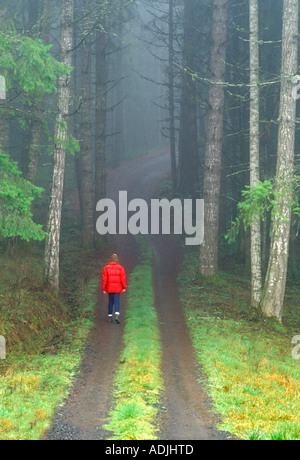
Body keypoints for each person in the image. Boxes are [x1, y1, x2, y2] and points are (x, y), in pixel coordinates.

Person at [102, 254, 127, 323]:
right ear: (117, 259)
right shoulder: (121, 268)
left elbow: (104, 279)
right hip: (117, 288)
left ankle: (110, 317)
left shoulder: (106, 268)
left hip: (110, 288)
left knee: (110, 301)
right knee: (117, 301)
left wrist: (104, 288)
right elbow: (123, 279)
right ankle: (117, 316)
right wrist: (124, 287)